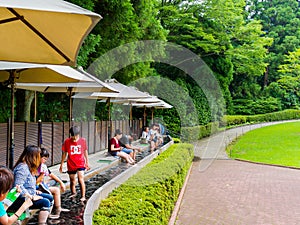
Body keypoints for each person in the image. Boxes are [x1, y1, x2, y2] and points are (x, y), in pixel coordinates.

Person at [7, 145, 56, 225]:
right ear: (33, 156)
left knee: (49, 197)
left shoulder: (29, 166)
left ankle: (44, 217)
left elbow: (27, 184)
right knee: (45, 202)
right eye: (38, 155)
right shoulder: (23, 168)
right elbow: (18, 186)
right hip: (18, 198)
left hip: (28, 195)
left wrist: (34, 191)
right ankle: (42, 223)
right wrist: (32, 196)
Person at [59, 126, 90, 202]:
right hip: (71, 163)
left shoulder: (83, 141)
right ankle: (73, 193)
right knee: (72, 180)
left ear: (78, 134)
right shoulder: (67, 142)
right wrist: (61, 164)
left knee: (80, 178)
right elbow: (64, 153)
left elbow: (85, 151)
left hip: (80, 163)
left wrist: (87, 162)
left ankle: (83, 196)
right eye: (72, 136)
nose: (74, 137)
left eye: (75, 136)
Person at [36, 148, 69, 216]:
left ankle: (58, 208)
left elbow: (51, 175)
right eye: (44, 158)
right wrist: (42, 175)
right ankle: (48, 213)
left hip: (40, 185)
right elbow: (35, 182)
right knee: (51, 193)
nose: (45, 161)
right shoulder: (35, 167)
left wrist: (61, 182)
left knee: (56, 187)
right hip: (36, 187)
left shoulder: (42, 166)